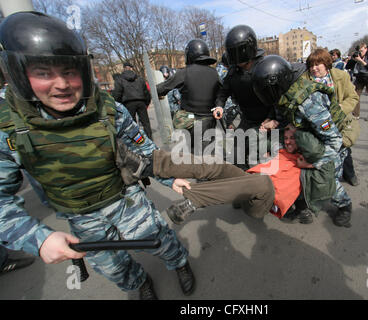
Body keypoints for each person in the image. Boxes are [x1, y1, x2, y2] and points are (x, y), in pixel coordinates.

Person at [0, 12, 195, 300]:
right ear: (19, 73)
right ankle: (140, 282)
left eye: (69, 71)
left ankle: (179, 264)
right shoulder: (8, 127)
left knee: (161, 240)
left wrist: (172, 179)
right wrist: (38, 239)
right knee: (113, 267)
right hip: (81, 217)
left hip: (126, 199)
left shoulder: (107, 109)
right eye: (43, 73)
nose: (62, 84)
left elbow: (145, 151)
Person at [116, 124, 336, 225]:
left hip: (264, 201)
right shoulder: (278, 148)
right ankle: (148, 165)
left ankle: (193, 201)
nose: (288, 142)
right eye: (286, 137)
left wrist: (307, 162)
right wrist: (265, 129)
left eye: (294, 139)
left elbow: (325, 158)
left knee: (263, 183)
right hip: (248, 182)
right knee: (217, 165)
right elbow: (259, 141)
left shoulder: (314, 163)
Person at [252, 55, 353, 227]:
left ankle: (345, 206)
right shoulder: (285, 97)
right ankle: (301, 205)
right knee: (295, 172)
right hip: (307, 139)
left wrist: (313, 163)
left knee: (326, 181)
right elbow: (286, 125)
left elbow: (334, 140)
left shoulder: (308, 103)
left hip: (330, 144)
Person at [214, 25, 281, 168]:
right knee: (238, 153)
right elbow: (224, 91)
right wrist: (219, 105)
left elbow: (277, 98)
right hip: (247, 118)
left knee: (261, 158)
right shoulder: (233, 71)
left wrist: (272, 118)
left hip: (266, 120)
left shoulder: (265, 67)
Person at [302, 48, 360, 187]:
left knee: (343, 148)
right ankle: (323, 182)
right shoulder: (304, 79)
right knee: (320, 151)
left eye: (317, 64)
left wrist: (340, 109)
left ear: (326, 64)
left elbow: (352, 97)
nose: (314, 68)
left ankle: (350, 174)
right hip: (318, 123)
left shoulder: (341, 76)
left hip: (338, 120)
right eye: (311, 65)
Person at [156, 39, 221, 155]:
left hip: (192, 121)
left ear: (189, 55)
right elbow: (221, 94)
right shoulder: (214, 73)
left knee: (195, 155)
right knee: (209, 152)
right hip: (210, 120)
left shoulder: (185, 73)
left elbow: (162, 89)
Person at [112, 61, 153, 139]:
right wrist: (146, 103)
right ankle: (150, 139)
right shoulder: (140, 78)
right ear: (131, 68)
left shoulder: (120, 79)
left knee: (132, 124)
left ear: (124, 69)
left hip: (128, 104)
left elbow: (117, 94)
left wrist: (119, 105)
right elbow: (146, 92)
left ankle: (137, 141)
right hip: (141, 102)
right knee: (146, 122)